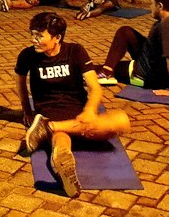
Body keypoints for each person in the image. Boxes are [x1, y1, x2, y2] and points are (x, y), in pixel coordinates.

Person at [17, 12, 131, 197]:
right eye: (33, 34)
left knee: (121, 120)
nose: (34, 40)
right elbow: (20, 84)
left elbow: (94, 87)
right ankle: (65, 171)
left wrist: (90, 110)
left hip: (77, 111)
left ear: (57, 37)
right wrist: (27, 111)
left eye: (39, 36)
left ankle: (47, 128)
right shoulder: (28, 55)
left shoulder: (75, 51)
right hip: (50, 111)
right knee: (61, 143)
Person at [93, 0, 169, 93]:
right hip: (152, 59)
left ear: (160, 6)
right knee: (125, 31)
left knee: (92, 70)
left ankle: (105, 72)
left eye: (152, 4)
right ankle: (106, 70)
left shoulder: (167, 26)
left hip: (147, 75)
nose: (150, 7)